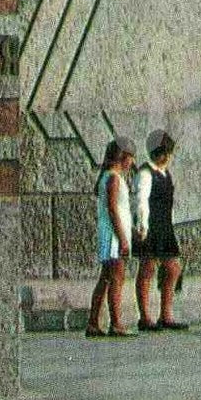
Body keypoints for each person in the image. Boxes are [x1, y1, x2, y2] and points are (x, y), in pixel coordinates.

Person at [133, 129, 189, 331]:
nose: (166, 157)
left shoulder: (165, 174)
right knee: (147, 268)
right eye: (162, 153)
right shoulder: (145, 173)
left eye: (168, 153)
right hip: (150, 226)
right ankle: (145, 317)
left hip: (164, 226)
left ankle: (166, 315)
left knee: (172, 268)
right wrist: (142, 225)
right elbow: (141, 201)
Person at [86, 136, 138, 338]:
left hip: (111, 232)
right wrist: (123, 238)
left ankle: (93, 322)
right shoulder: (114, 178)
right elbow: (113, 210)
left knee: (106, 278)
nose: (132, 162)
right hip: (113, 235)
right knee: (116, 278)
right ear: (122, 157)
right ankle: (116, 323)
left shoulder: (108, 177)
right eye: (131, 157)